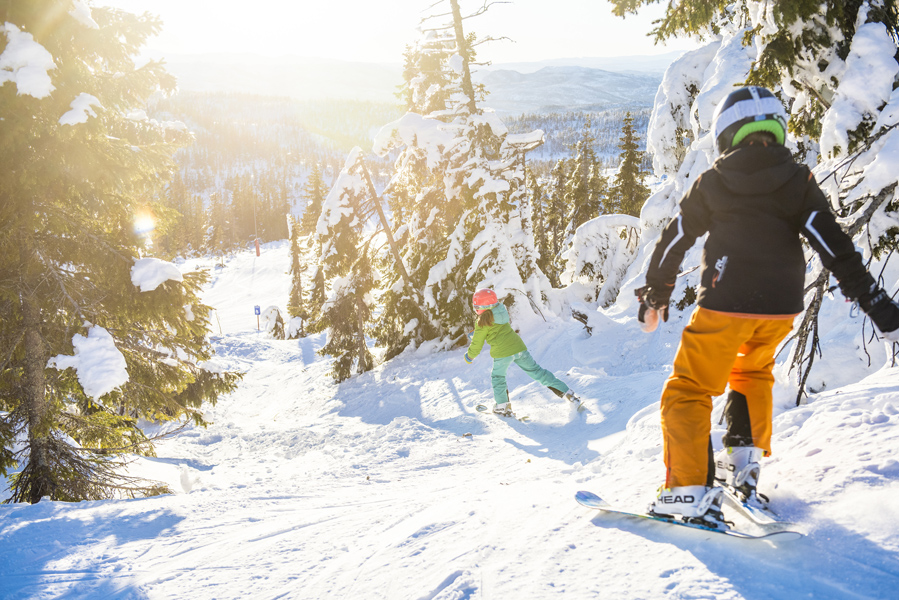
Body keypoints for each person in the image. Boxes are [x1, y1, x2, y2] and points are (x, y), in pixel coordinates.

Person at [635, 86, 899, 528]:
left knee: (689, 388)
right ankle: (744, 467)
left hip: (724, 301)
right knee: (752, 372)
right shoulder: (798, 181)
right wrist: (879, 307)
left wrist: (655, 292)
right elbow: (834, 247)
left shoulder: (714, 181)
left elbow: (676, 237)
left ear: (726, 133)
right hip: (779, 308)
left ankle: (686, 493)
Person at [464, 288, 579, 415]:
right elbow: (495, 328)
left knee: (498, 377)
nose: (475, 309)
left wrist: (469, 356)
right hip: (519, 348)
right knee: (537, 372)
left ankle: (502, 406)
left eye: (476, 306)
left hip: (502, 353)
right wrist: (477, 333)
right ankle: (567, 393)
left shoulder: (481, 322)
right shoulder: (500, 312)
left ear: (481, 307)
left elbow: (477, 344)